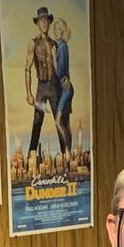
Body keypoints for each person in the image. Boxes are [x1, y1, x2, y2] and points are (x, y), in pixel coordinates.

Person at [25, 7, 62, 157]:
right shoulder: (32, 43)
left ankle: (66, 154)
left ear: (49, 22)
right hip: (41, 86)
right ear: (38, 23)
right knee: (37, 121)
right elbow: (27, 68)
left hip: (54, 86)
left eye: (46, 20)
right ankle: (31, 156)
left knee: (60, 121)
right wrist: (28, 93)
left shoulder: (55, 44)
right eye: (41, 20)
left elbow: (61, 69)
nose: (44, 23)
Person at [52, 18, 73, 158]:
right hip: (65, 88)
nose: (57, 32)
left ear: (64, 31)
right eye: (56, 29)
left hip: (65, 90)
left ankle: (67, 152)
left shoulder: (62, 47)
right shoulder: (60, 45)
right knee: (65, 122)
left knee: (58, 122)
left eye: (60, 29)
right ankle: (69, 152)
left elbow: (60, 72)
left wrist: (54, 57)